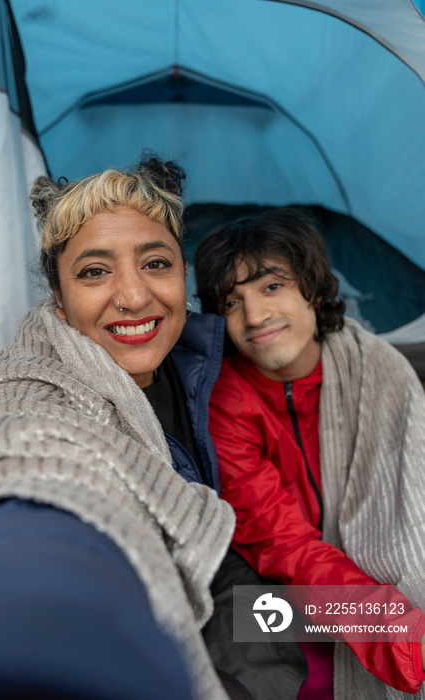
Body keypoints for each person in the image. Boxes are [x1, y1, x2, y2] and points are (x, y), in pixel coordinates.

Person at [0, 155, 239, 700]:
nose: (134, 296)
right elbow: (31, 459)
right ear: (59, 302)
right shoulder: (32, 390)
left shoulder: (207, 362)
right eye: (94, 271)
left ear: (184, 276)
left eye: (155, 263)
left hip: (250, 586)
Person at [194, 208, 425, 700]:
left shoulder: (379, 370)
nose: (255, 316)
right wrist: (388, 625)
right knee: (280, 667)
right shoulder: (225, 403)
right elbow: (281, 543)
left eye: (271, 286)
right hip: (271, 581)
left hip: (370, 567)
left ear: (315, 290)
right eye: (232, 302)